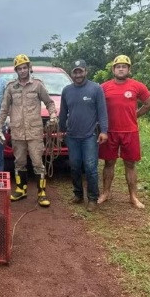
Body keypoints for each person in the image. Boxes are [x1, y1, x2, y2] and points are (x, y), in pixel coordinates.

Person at [0, 54, 57, 207]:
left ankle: (41, 192)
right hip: (17, 132)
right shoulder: (11, 87)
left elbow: (49, 103)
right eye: (19, 68)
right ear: (16, 71)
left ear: (29, 68)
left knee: (37, 162)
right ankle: (21, 189)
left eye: (25, 68)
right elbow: (4, 109)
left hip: (34, 132)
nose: (23, 71)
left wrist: (53, 115)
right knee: (19, 162)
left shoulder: (37, 85)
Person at [98, 55, 150, 208]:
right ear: (113, 69)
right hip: (109, 131)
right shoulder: (104, 87)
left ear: (129, 69)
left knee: (130, 164)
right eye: (118, 66)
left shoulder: (137, 86)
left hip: (130, 131)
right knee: (109, 163)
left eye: (124, 66)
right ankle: (105, 193)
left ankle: (133, 197)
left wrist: (135, 114)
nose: (121, 69)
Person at [59, 59, 108, 212]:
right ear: (72, 73)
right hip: (72, 135)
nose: (78, 74)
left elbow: (102, 112)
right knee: (74, 166)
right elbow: (63, 113)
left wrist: (104, 131)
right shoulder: (67, 90)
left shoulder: (96, 89)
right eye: (75, 71)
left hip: (89, 136)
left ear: (86, 71)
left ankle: (93, 198)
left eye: (81, 71)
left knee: (90, 167)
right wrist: (61, 131)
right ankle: (78, 194)